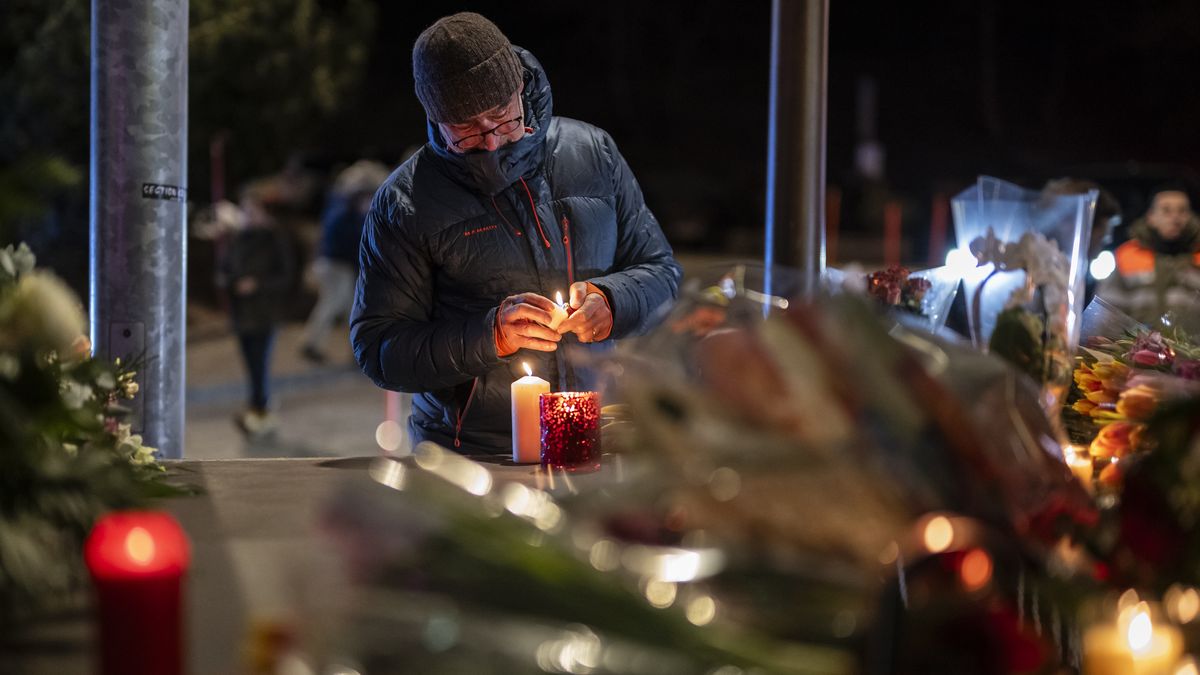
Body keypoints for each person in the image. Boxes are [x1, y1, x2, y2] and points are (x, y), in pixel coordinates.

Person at [350, 12, 681, 455]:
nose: (490, 142)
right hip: (474, 451)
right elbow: (379, 349)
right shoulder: (406, 202)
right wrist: (490, 336)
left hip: (604, 435)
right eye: (465, 127)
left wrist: (614, 301)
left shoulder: (593, 153)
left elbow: (663, 274)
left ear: (519, 89)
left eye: (500, 116)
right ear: (435, 118)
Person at [216, 181, 295, 437]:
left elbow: (285, 276)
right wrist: (230, 283)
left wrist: (257, 284)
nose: (248, 215)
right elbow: (223, 271)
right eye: (245, 210)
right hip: (241, 314)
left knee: (260, 365)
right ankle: (260, 410)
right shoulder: (236, 239)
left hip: (265, 313)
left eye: (252, 210)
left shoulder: (274, 239)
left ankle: (259, 412)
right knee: (250, 366)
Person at [299, 160, 388, 363]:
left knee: (347, 304)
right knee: (335, 302)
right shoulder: (346, 209)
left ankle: (352, 348)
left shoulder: (339, 204)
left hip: (334, 262)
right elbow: (350, 239)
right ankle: (313, 344)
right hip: (336, 263)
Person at [1098, 184, 1200, 327]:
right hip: (1138, 349)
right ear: (1151, 216)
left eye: (1182, 211)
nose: (1175, 218)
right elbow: (1107, 313)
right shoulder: (1127, 255)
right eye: (1166, 210)